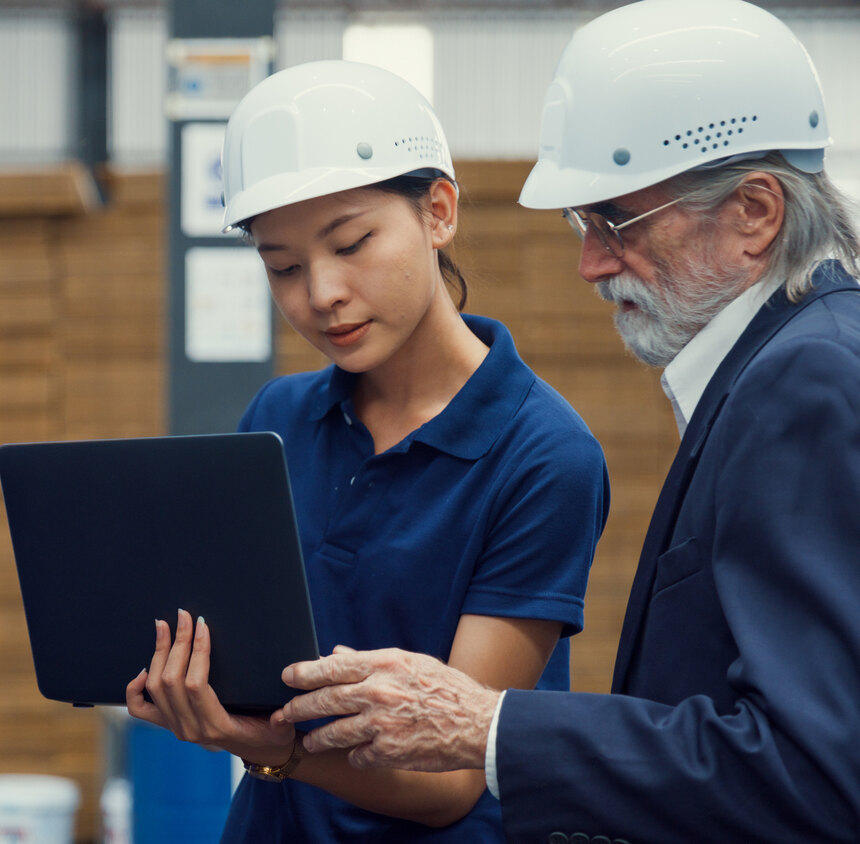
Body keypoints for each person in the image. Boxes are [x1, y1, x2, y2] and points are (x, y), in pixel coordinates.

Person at [276, 2, 860, 842]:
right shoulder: (781, 369)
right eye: (581, 224)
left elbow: (817, 776)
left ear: (755, 213)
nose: (590, 263)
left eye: (615, 221)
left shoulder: (807, 384)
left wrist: (489, 728)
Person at [123, 60, 609, 841]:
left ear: (439, 212)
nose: (320, 294)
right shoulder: (276, 419)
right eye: (282, 267)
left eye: (351, 244)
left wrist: (276, 751)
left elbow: (454, 775)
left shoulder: (543, 456)